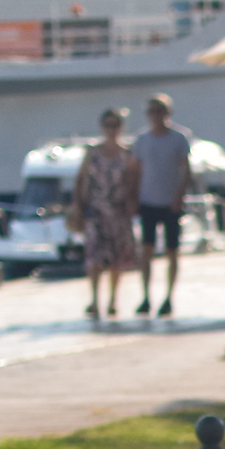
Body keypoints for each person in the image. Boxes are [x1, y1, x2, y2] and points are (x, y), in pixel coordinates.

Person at [70, 106, 142, 318]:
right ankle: (94, 299)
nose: (111, 129)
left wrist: (132, 203)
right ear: (102, 127)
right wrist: (78, 206)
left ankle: (112, 300)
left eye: (115, 125)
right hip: (96, 210)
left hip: (118, 211)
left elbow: (133, 180)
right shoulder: (92, 153)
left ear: (121, 127)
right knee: (94, 257)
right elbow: (81, 179)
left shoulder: (127, 153)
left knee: (117, 258)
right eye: (108, 125)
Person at [130, 92, 194, 319]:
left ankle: (169, 296)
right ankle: (146, 296)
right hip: (148, 201)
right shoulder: (142, 140)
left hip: (171, 202)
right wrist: (134, 198)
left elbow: (185, 169)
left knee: (172, 251)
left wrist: (180, 195)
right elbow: (135, 171)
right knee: (146, 250)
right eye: (152, 111)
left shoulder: (179, 138)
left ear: (168, 113)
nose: (156, 116)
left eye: (160, 111)